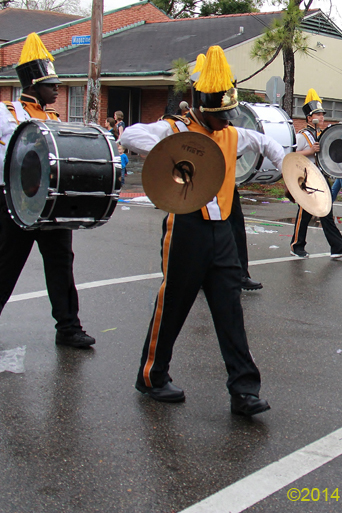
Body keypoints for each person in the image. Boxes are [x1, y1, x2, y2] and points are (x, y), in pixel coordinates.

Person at [120, 46, 285, 414]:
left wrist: (287, 167)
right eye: (219, 114)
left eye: (228, 113)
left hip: (222, 231)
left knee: (230, 310)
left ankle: (243, 390)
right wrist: (175, 149)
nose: (225, 120)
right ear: (200, 107)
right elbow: (130, 136)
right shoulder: (177, 128)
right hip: (186, 229)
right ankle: (151, 376)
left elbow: (266, 142)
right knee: (173, 305)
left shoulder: (230, 133)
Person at [0, 33, 95, 348]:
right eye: (51, 85)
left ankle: (68, 327)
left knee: (61, 264)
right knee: (7, 263)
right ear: (33, 85)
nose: (56, 90)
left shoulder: (54, 118)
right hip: (12, 199)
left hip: (50, 202)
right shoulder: (1, 112)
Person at [289, 89, 342, 259]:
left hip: (320, 176)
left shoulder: (323, 134)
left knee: (326, 211)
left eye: (322, 113)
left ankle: (337, 247)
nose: (322, 116)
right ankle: (297, 245)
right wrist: (310, 151)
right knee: (305, 213)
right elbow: (291, 155)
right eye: (317, 113)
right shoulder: (302, 135)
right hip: (307, 176)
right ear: (309, 118)